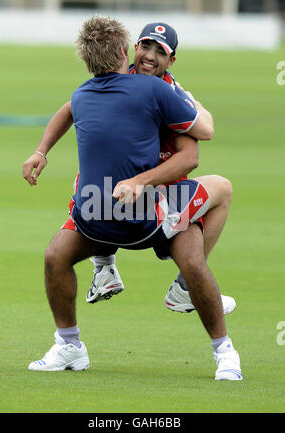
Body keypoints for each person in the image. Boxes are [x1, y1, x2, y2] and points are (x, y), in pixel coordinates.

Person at [23, 16, 242, 380]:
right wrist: (42, 150)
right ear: (129, 50)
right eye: (145, 46)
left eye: (161, 51)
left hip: (159, 194)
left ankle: (223, 350)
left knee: (192, 261)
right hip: (126, 206)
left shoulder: (164, 91)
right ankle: (74, 337)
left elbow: (196, 144)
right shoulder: (99, 88)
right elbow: (70, 108)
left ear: (171, 61)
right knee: (57, 251)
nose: (150, 56)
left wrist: (193, 105)